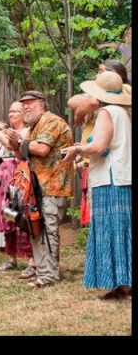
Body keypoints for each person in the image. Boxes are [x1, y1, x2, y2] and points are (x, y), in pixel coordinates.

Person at [63, 71, 132, 300]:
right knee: (122, 230)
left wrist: (78, 149)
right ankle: (124, 283)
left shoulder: (105, 112)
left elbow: (100, 146)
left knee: (108, 230)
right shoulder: (122, 112)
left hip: (108, 178)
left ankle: (119, 285)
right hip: (122, 177)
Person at [3, 90, 73, 288]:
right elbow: (22, 157)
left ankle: (49, 276)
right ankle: (43, 272)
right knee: (37, 229)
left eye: (30, 103)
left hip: (53, 186)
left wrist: (21, 142)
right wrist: (15, 144)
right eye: (23, 103)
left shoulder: (51, 121)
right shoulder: (34, 127)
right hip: (37, 188)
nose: (25, 106)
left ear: (42, 104)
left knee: (48, 231)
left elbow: (42, 149)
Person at [0, 102, 35, 273]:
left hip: (18, 176)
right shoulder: (5, 132)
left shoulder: (26, 131)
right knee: (8, 216)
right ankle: (11, 257)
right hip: (2, 180)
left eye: (15, 111)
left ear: (24, 113)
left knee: (22, 216)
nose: (11, 114)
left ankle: (32, 260)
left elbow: (10, 145)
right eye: (9, 111)